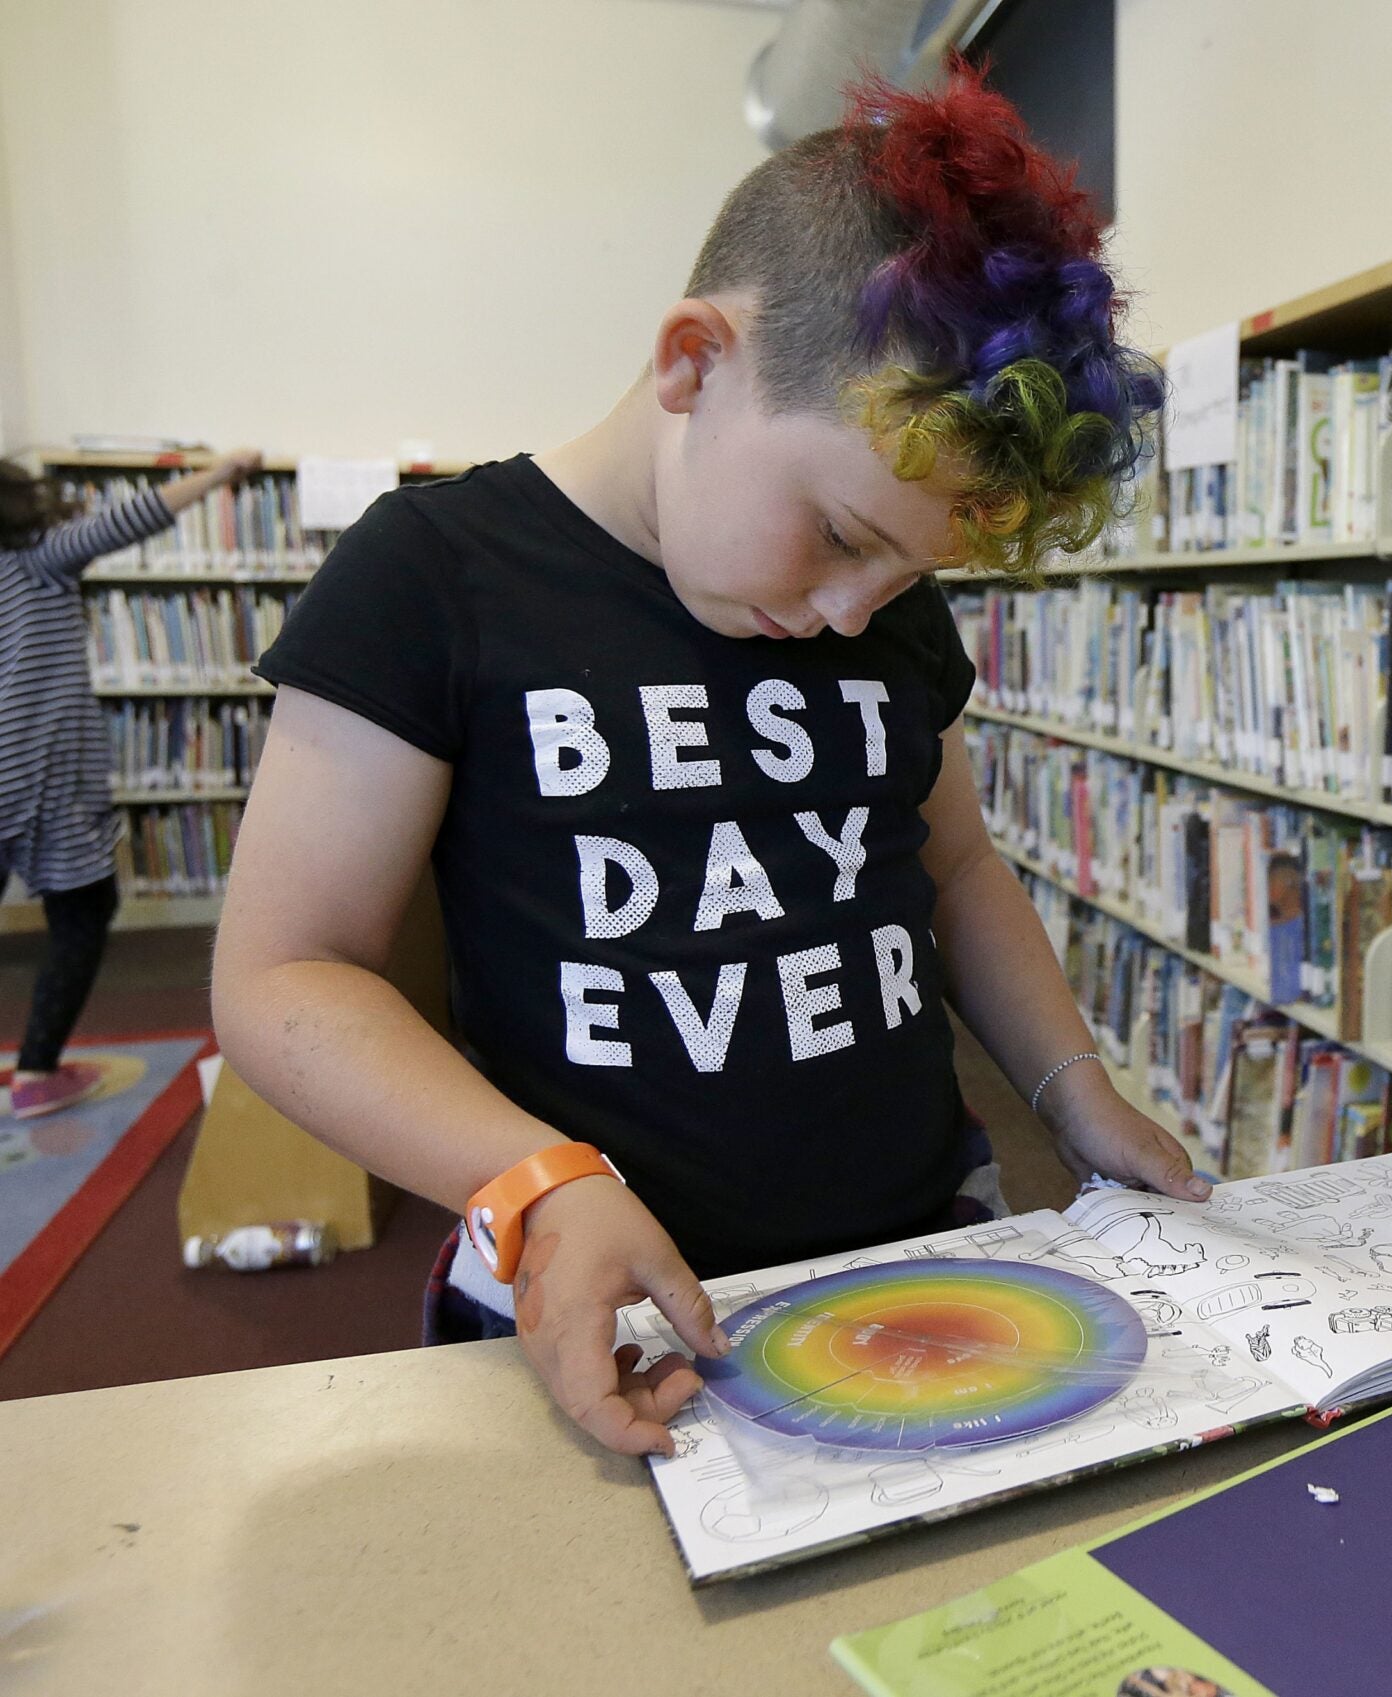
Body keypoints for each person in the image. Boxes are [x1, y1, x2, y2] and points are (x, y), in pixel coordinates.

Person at [209, 66, 1203, 1459]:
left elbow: (957, 863)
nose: (863, 610)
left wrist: (1071, 1085)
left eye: (916, 568)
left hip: (923, 1257)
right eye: (847, 535)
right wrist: (540, 1182)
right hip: (604, 1292)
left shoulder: (882, 607)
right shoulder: (432, 576)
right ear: (693, 363)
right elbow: (282, 974)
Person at [3, 448, 262, 1116]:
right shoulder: (35, 560)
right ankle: (35, 1071)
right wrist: (221, 474)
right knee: (83, 912)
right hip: (38, 778)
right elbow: (132, 517)